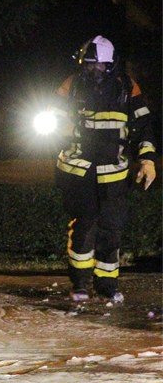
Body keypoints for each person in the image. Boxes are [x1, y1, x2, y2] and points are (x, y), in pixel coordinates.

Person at [53, 35, 156, 303]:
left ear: (110, 65)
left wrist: (147, 161)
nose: (93, 69)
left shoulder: (127, 87)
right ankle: (79, 285)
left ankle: (107, 286)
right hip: (79, 171)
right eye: (88, 64)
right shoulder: (71, 85)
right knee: (84, 227)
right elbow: (54, 118)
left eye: (99, 65)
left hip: (114, 174)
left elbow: (143, 126)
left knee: (112, 230)